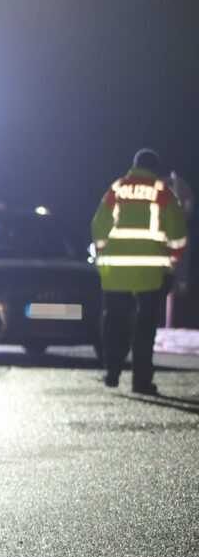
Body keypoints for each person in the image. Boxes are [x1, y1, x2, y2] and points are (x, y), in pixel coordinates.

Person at [91, 148, 189, 394]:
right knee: (145, 329)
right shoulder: (163, 193)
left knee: (114, 322)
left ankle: (112, 371)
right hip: (150, 275)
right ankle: (141, 381)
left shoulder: (117, 189)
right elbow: (178, 237)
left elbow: (98, 227)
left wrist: (105, 256)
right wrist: (169, 264)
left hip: (116, 273)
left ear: (134, 166)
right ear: (155, 169)